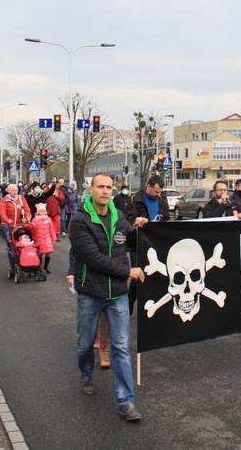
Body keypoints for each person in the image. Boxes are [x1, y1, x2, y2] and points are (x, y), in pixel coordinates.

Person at [69, 173, 147, 422]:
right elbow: (92, 257)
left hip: (118, 295)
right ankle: (86, 372)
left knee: (121, 346)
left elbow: (129, 244)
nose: (105, 191)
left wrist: (139, 230)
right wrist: (128, 271)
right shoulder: (80, 220)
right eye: (100, 187)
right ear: (90, 189)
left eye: (108, 187)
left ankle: (126, 402)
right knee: (84, 343)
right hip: (90, 292)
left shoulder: (119, 216)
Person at [125, 175, 171, 314]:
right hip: (137, 242)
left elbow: (167, 219)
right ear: (149, 186)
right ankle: (128, 305)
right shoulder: (135, 199)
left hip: (156, 243)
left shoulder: (162, 201)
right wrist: (137, 222)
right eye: (156, 192)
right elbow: (128, 219)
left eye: (160, 192)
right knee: (137, 276)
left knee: (155, 275)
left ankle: (151, 306)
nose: (158, 195)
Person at [0, 183, 32, 276]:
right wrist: (7, 220)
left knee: (22, 245)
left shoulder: (21, 198)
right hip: (7, 225)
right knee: (11, 246)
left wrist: (28, 216)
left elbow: (27, 209)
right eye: (12, 190)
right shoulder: (4, 200)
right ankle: (13, 266)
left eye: (16, 190)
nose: (14, 192)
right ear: (8, 191)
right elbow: (2, 212)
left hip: (19, 225)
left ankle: (23, 263)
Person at [31, 203, 56, 274]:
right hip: (39, 239)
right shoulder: (35, 220)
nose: (42, 213)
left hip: (47, 239)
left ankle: (46, 266)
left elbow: (51, 229)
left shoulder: (48, 219)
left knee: (49, 252)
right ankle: (39, 267)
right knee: (40, 253)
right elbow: (33, 230)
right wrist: (33, 238)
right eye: (41, 211)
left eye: (43, 211)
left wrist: (53, 238)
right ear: (38, 212)